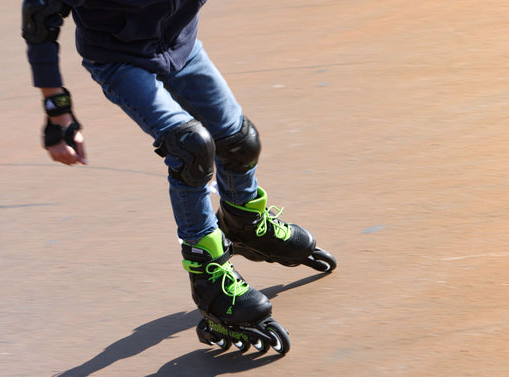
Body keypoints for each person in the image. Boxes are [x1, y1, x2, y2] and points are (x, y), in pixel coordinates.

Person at [21, 0, 335, 354]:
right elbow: (39, 17)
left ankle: (244, 219)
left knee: (239, 143)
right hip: (119, 58)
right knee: (190, 148)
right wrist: (56, 108)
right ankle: (207, 274)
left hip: (182, 48)